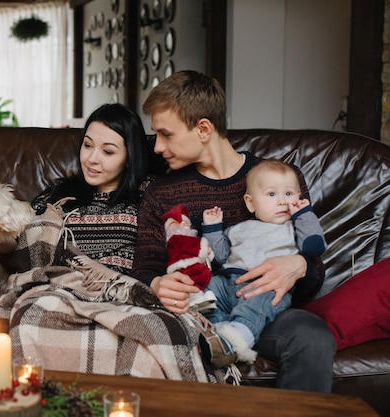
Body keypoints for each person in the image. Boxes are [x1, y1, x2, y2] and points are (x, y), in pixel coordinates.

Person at [132, 70, 336, 392]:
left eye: (165, 134)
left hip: (266, 311)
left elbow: (314, 268)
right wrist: (157, 284)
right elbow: (143, 270)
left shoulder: (278, 180)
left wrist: (299, 266)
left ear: (203, 129)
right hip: (199, 311)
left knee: (312, 336)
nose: (157, 147)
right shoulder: (162, 193)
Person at [0, 102, 151, 275]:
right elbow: (16, 239)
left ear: (130, 158)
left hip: (114, 292)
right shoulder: (59, 193)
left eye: (108, 152)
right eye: (87, 145)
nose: (92, 159)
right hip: (53, 288)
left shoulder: (148, 197)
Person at [200, 158, 327, 365]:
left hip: (267, 285)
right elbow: (220, 257)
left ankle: (237, 339)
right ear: (251, 203)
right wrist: (213, 228)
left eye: (289, 194)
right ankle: (218, 328)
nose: (282, 202)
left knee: (257, 304)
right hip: (229, 281)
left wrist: (304, 214)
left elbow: (314, 247)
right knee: (208, 289)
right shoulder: (238, 229)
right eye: (271, 194)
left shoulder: (294, 228)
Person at [162, 204, 216, 312]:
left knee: (203, 276)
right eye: (177, 223)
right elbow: (193, 245)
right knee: (195, 277)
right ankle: (194, 298)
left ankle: (199, 297)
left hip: (191, 263)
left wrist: (207, 256)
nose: (184, 226)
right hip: (183, 266)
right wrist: (206, 249)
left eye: (185, 223)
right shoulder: (176, 239)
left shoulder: (186, 237)